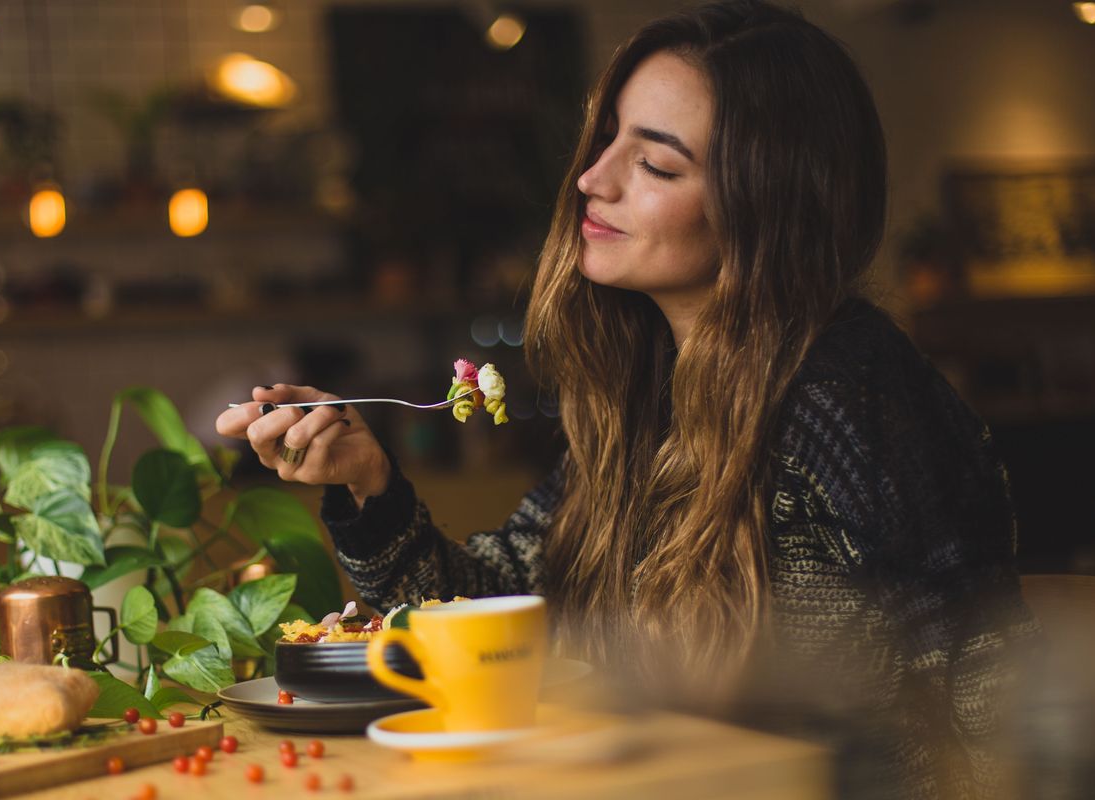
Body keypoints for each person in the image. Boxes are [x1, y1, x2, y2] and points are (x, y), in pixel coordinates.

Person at [217, 2, 1036, 797]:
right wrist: (367, 482)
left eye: (655, 163)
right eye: (608, 138)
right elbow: (493, 614)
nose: (590, 177)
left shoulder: (848, 395)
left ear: (768, 207)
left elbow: (986, 700)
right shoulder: (651, 397)